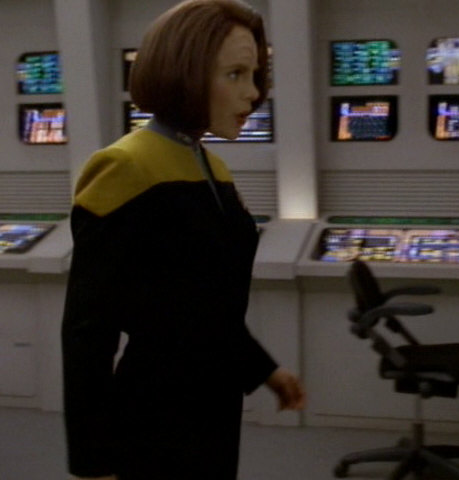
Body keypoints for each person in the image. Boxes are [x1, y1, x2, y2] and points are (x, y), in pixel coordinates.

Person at [61, 1, 305, 479]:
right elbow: (88, 331)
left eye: (254, 75)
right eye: (235, 74)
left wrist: (264, 370)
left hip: (214, 405)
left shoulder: (213, 167)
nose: (253, 93)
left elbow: (206, 307)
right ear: (184, 72)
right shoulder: (125, 166)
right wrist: (93, 463)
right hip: (152, 414)